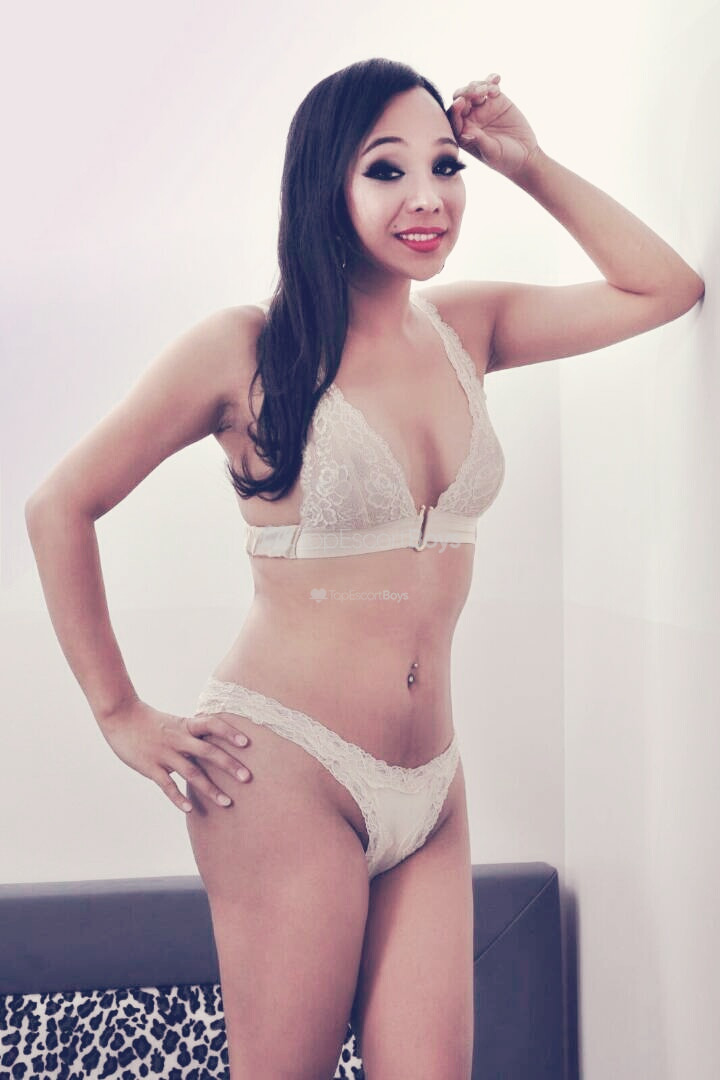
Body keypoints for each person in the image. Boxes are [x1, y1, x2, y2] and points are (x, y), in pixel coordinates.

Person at [25, 56, 704, 1080]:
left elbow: (666, 287)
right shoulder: (246, 350)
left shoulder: (470, 329)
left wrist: (526, 162)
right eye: (387, 169)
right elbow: (60, 506)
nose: (428, 197)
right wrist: (120, 713)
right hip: (282, 773)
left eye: (446, 166)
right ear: (325, 184)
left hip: (432, 784)